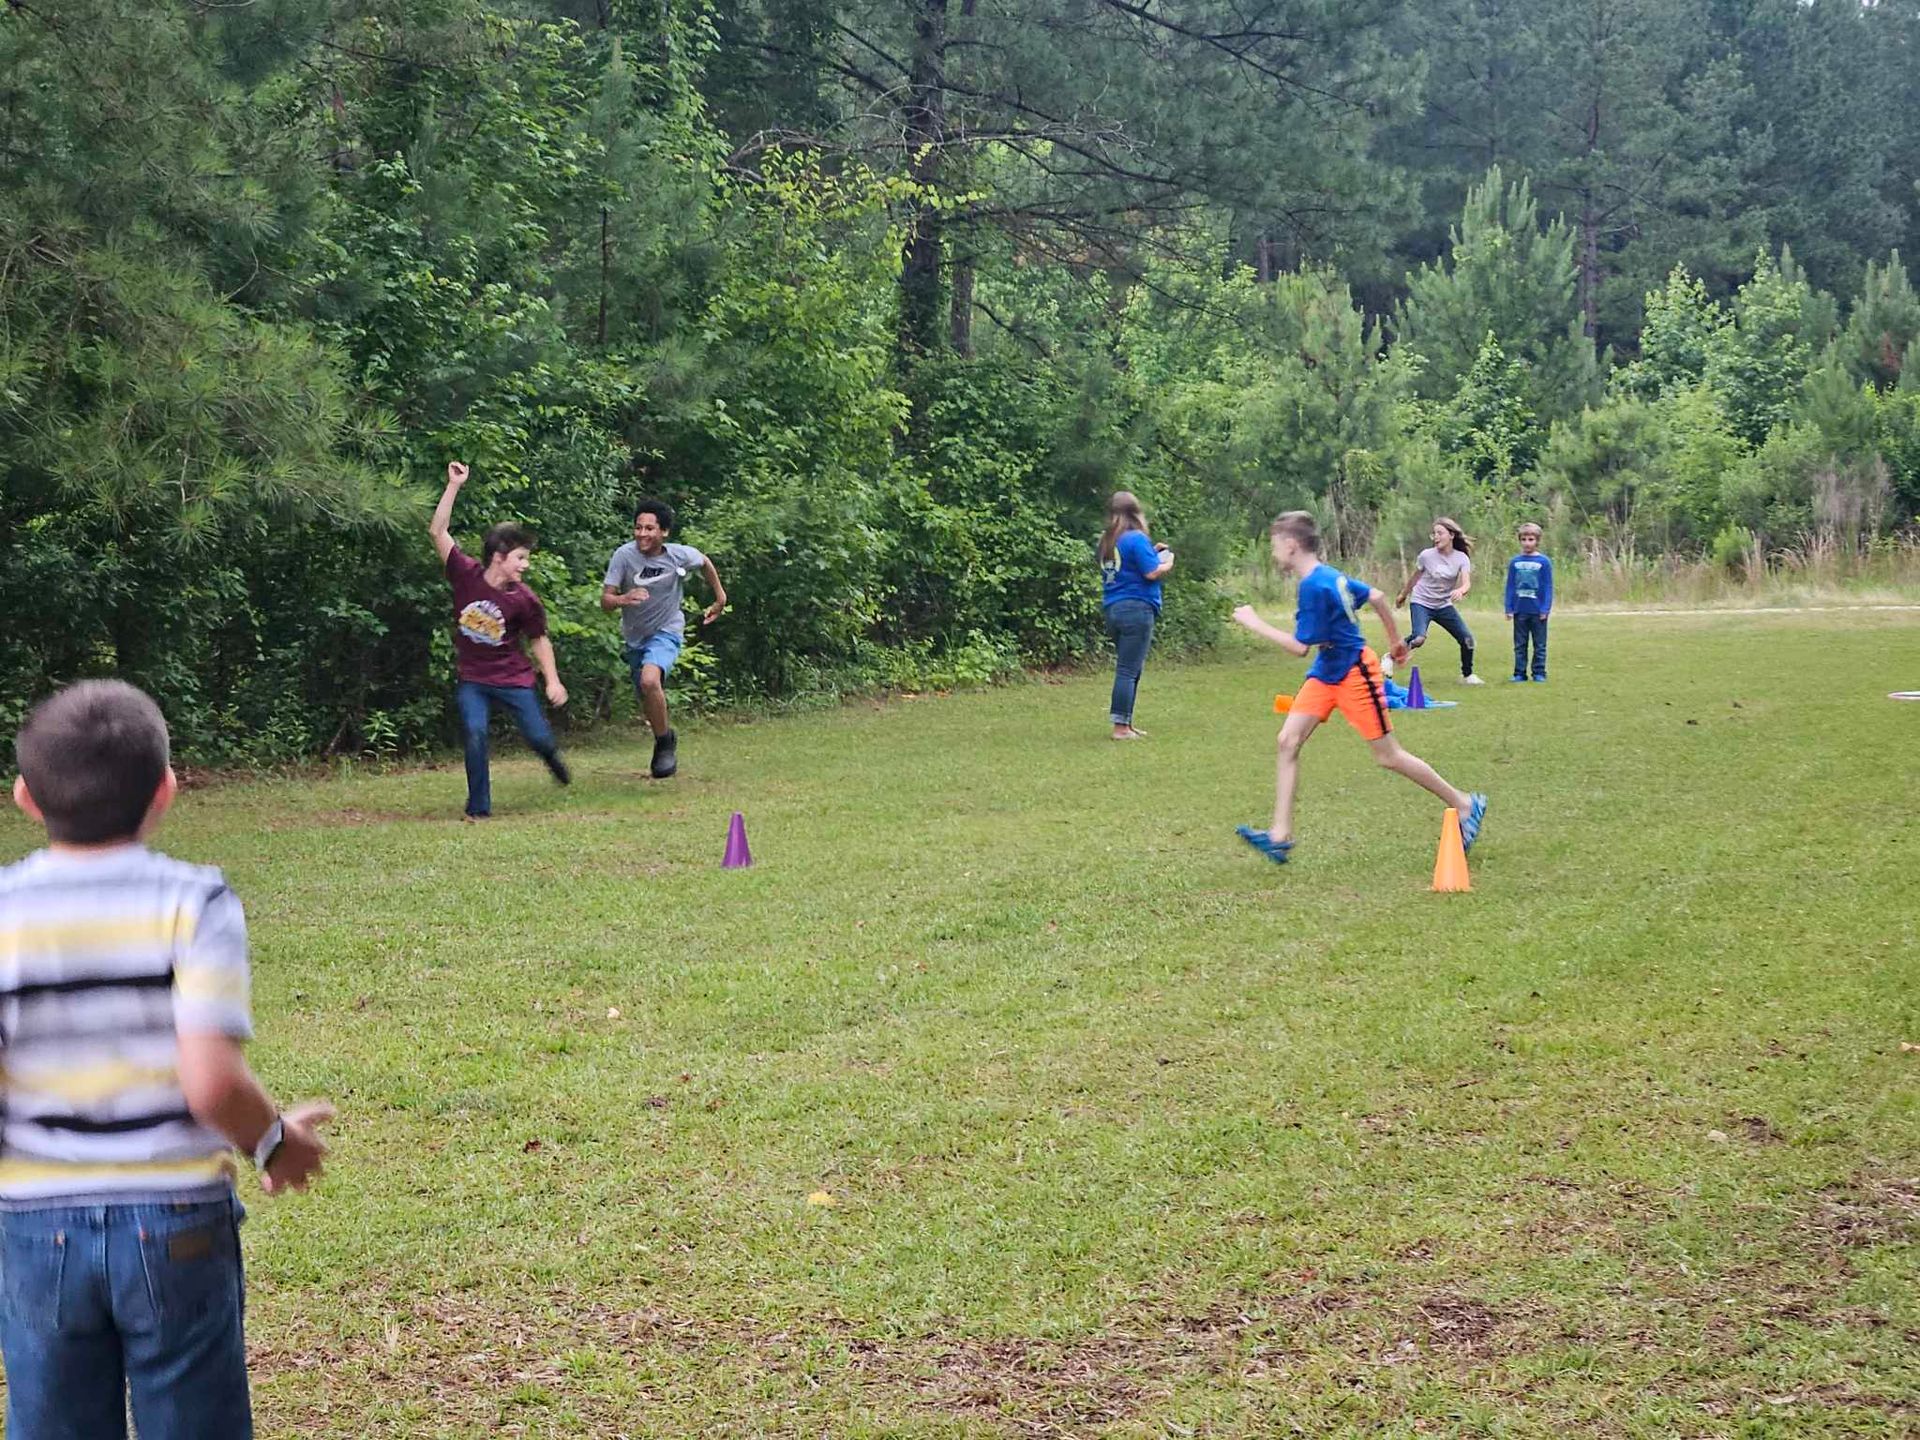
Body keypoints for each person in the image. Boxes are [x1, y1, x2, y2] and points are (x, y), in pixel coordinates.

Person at [1, 681, 334, 1439]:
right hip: (176, 1220)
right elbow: (211, 1079)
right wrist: (274, 1138)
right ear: (166, 791)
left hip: (30, 1227)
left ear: (25, 796)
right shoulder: (195, 902)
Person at [1231, 512, 1487, 865]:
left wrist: (1253, 622)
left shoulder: (1314, 586)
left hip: (1354, 671)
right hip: (1326, 670)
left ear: (1291, 546)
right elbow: (1379, 597)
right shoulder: (1327, 576)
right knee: (1287, 740)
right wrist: (1396, 642)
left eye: (1276, 546)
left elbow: (1298, 647)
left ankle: (1464, 803)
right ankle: (1279, 835)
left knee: (1388, 756)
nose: (1275, 553)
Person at [428, 461, 571, 820]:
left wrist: (552, 680)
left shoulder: (525, 600)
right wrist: (453, 486)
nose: (525, 566)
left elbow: (539, 640)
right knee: (475, 733)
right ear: (499, 557)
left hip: (513, 680)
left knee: (538, 738)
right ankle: (479, 809)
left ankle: (551, 757)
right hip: (473, 679)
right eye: (520, 558)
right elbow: (437, 531)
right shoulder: (465, 574)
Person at [601, 499, 725, 779]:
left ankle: (663, 745)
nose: (642, 534)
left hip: (667, 631)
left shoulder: (679, 555)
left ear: (664, 532)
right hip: (635, 638)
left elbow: (704, 562)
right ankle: (664, 733)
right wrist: (623, 598)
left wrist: (720, 597)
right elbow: (606, 601)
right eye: (638, 528)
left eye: (649, 528)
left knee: (649, 680)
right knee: (645, 693)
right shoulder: (624, 556)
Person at [1097, 491, 1173, 740]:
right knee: (1128, 670)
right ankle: (1120, 727)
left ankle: (1126, 723)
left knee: (1129, 667)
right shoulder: (1136, 538)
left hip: (1113, 608)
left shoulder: (1106, 542)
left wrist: (1151, 551)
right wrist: (1166, 563)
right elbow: (1151, 573)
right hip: (1137, 608)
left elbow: (1125, 567)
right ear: (1135, 512)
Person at [1395, 517, 1483, 685]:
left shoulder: (1461, 558)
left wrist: (1461, 590)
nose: (1436, 537)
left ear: (1451, 535)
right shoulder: (1426, 556)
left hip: (1443, 605)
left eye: (1439, 533)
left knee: (1468, 640)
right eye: (1434, 534)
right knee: (1419, 638)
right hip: (1421, 602)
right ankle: (1391, 655)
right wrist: (1403, 595)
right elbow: (1415, 577)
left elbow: (1466, 583)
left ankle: (1467, 675)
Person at [1504, 522, 1554, 682]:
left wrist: (1545, 608)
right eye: (1524, 539)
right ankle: (1519, 673)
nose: (1527, 543)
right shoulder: (1515, 562)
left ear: (1537, 541)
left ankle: (1539, 672)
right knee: (1520, 644)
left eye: (1530, 539)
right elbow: (1510, 585)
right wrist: (1509, 607)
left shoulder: (1544, 562)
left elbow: (1547, 586)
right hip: (1520, 610)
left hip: (1538, 611)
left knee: (1539, 644)